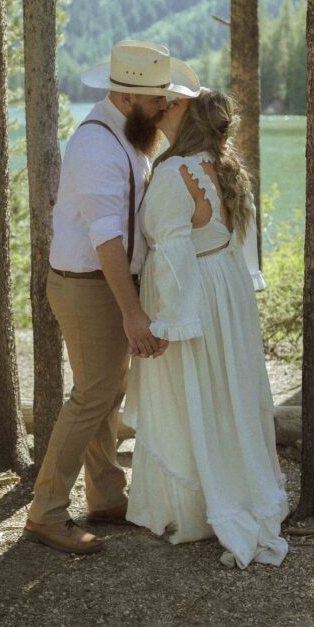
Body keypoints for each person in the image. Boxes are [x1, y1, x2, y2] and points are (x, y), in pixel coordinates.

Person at [23, 40, 201, 555]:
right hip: (89, 287)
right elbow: (107, 240)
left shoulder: (130, 132)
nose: (166, 106)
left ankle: (105, 497)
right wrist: (132, 312)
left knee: (105, 393)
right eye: (158, 99)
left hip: (105, 283)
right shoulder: (98, 145)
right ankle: (46, 512)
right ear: (126, 96)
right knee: (93, 396)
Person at [123, 90, 289, 568]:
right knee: (222, 391)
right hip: (223, 289)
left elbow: (173, 254)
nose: (162, 106)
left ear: (188, 118)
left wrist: (171, 322)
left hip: (194, 297)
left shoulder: (177, 174)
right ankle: (207, 492)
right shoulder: (222, 166)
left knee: (192, 392)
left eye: (172, 104)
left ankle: (198, 505)